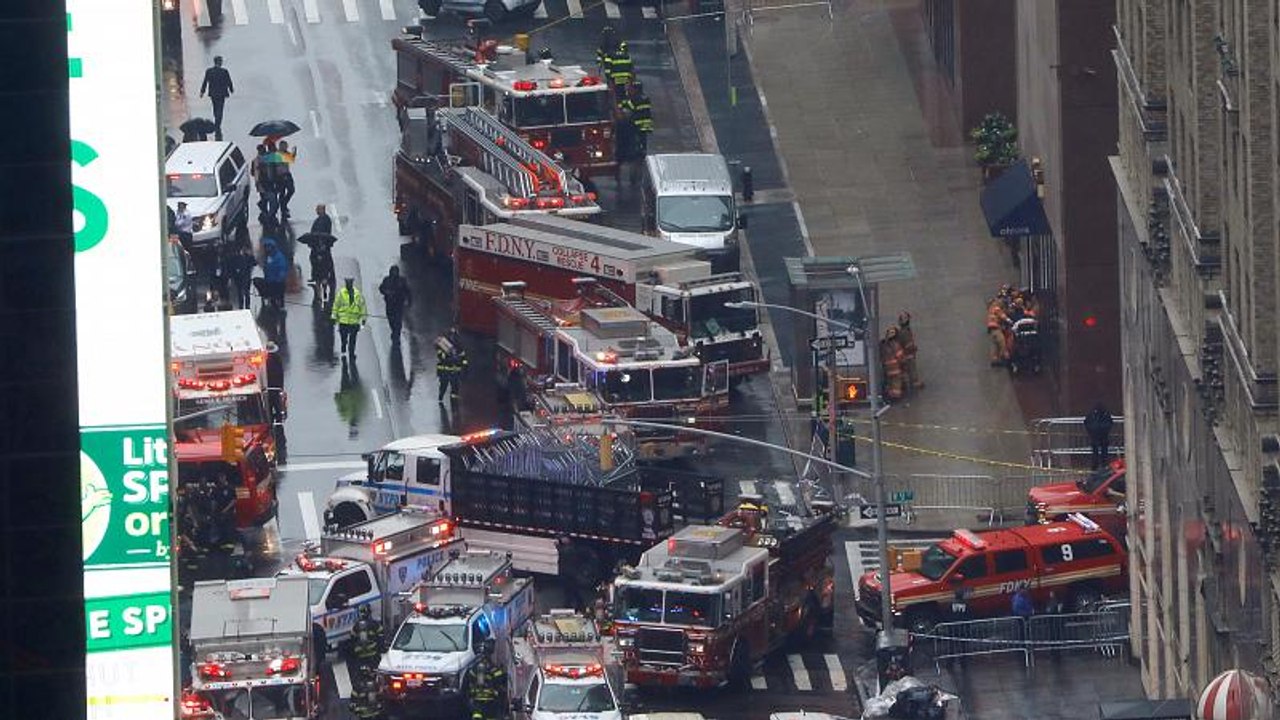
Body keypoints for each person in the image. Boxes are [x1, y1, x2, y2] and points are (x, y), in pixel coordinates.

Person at [466, 639, 506, 720]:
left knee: (477, 716)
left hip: (477, 701)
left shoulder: (475, 666)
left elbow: (469, 677)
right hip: (490, 700)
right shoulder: (492, 668)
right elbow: (499, 678)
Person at [332, 277, 368, 359]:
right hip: (343, 321)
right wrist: (334, 316)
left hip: (354, 322)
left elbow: (362, 306)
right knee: (343, 337)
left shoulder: (357, 294)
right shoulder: (341, 293)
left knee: (353, 339)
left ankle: (352, 352)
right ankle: (344, 345)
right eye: (347, 283)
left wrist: (363, 319)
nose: (348, 285)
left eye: (350, 283)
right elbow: (336, 305)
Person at [199, 56, 234, 139]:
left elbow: (205, 82)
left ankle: (217, 122)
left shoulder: (209, 71)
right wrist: (231, 89)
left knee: (215, 107)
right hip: (222, 93)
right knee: (220, 108)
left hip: (213, 93)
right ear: (220, 62)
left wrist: (202, 92)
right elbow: (229, 81)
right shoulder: (224, 71)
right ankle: (218, 124)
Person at [378, 266, 412, 343]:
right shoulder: (387, 280)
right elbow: (381, 288)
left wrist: (409, 301)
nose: (394, 274)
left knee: (398, 320)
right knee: (391, 319)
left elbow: (408, 291)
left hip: (399, 304)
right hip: (390, 304)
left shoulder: (402, 281)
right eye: (393, 272)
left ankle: (397, 335)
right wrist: (387, 292)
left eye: (395, 272)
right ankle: (394, 331)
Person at [621, 82, 653, 159]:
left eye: (631, 89)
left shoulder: (634, 99)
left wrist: (625, 100)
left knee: (635, 137)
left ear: (636, 89)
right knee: (643, 137)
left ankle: (637, 151)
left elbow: (628, 107)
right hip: (646, 122)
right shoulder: (646, 98)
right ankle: (643, 150)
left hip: (637, 122)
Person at [436, 329, 468, 402]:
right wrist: (451, 358)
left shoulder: (459, 346)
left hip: (454, 371)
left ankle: (454, 402)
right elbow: (441, 356)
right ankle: (440, 399)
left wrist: (464, 367)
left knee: (455, 388)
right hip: (445, 371)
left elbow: (464, 358)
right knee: (443, 386)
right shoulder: (444, 346)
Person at [350, 604, 383, 674]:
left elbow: (352, 640)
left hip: (360, 655)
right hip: (373, 653)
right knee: (378, 671)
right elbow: (381, 637)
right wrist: (381, 648)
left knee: (358, 673)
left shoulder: (355, 626)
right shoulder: (374, 624)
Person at [896, 311, 923, 390]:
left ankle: (906, 383)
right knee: (911, 367)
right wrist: (912, 348)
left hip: (906, 353)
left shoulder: (903, 331)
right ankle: (913, 383)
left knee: (906, 368)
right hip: (907, 354)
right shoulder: (904, 332)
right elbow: (908, 344)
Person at [1083, 403, 1114, 469]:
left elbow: (1086, 422)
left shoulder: (1093, 414)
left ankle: (1099, 466)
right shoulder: (1104, 414)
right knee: (1100, 452)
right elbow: (1110, 423)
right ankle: (1100, 465)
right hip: (1099, 436)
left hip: (1098, 436)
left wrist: (1091, 431)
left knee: (1100, 452)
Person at [227, 244, 257, 310]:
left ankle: (247, 305)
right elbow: (232, 266)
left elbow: (254, 263)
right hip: (239, 277)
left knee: (246, 292)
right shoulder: (235, 257)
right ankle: (241, 305)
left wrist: (251, 256)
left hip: (246, 276)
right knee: (240, 292)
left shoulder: (248, 257)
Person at [261, 238, 289, 308]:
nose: (267, 249)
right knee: (273, 300)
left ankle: (280, 312)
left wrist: (279, 278)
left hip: (278, 282)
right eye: (266, 247)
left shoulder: (279, 256)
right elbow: (266, 268)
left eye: (268, 247)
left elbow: (282, 267)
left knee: (279, 298)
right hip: (270, 282)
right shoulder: (268, 257)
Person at [880, 327, 906, 401]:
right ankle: (896, 397)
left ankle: (890, 396)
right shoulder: (896, 345)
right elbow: (900, 356)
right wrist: (904, 363)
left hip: (887, 369)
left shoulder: (883, 345)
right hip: (895, 369)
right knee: (896, 384)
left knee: (890, 383)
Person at [276, 141, 298, 218]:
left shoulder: (286, 153)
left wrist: (294, 153)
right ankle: (283, 209)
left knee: (291, 190)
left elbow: (291, 159)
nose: (286, 147)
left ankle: (284, 205)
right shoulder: (277, 154)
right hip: (280, 176)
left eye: (286, 146)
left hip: (287, 174)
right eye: (284, 146)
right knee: (282, 192)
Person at [986, 296, 1010, 366]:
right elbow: (1003, 316)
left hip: (991, 329)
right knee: (1002, 342)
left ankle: (995, 359)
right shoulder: (996, 308)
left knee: (995, 345)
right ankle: (1002, 357)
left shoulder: (990, 309)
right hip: (996, 328)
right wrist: (1009, 320)